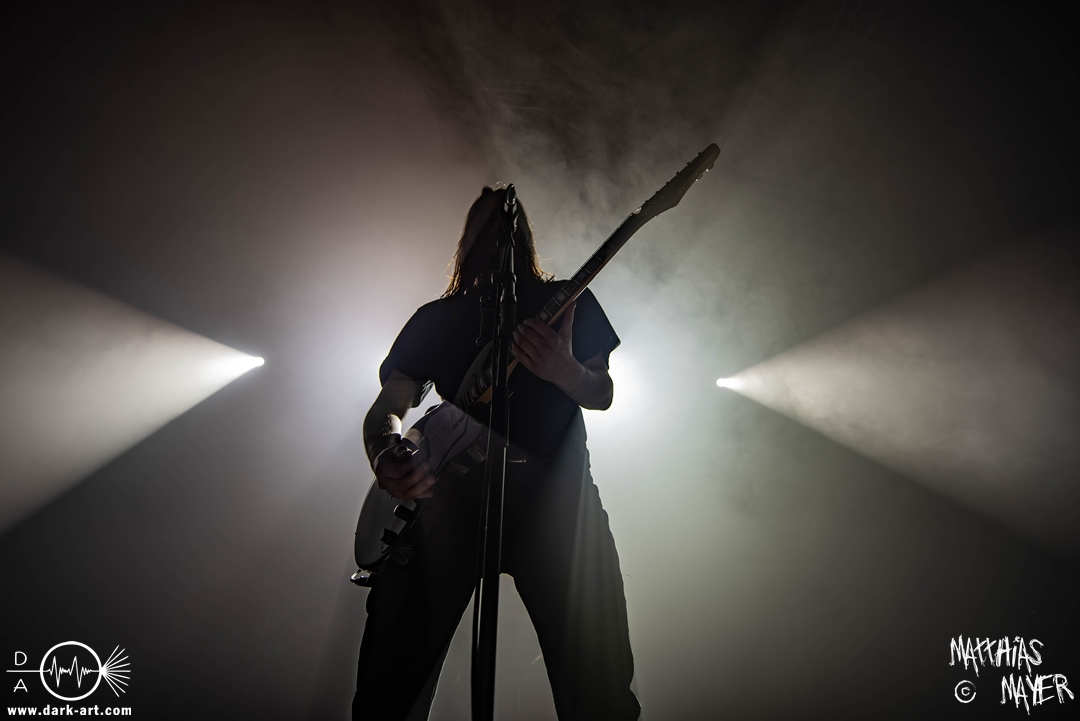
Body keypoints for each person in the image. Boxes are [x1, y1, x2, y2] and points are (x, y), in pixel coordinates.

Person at [353, 186, 640, 720]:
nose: (495, 237)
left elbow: (601, 392)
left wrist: (565, 371)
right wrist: (384, 450)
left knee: (599, 688)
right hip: (448, 504)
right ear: (464, 242)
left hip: (558, 503)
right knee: (388, 688)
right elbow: (387, 408)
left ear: (524, 239)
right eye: (483, 227)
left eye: (506, 227)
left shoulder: (569, 303)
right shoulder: (436, 318)